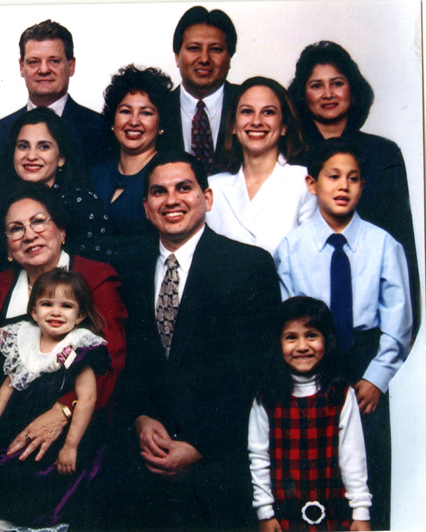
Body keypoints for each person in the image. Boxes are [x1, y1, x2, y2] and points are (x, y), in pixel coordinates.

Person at [113, 151, 280, 529]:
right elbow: (130, 361)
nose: (171, 200)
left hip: (217, 470)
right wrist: (140, 419)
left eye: (183, 188)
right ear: (145, 206)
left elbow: (252, 371)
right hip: (144, 470)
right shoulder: (130, 269)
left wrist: (198, 445)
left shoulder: (248, 266)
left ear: (206, 198)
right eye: (159, 192)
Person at [0, 183, 127, 522]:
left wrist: (62, 412)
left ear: (60, 231)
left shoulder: (95, 276)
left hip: (82, 424)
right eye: (16, 229)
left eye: (39, 222)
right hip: (13, 422)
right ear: (8, 248)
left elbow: (112, 363)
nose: (29, 235)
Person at [274, 138, 412, 531]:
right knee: (315, 470)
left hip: (366, 361)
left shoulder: (383, 245)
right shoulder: (292, 247)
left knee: (369, 473)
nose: (343, 186)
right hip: (311, 363)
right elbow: (288, 315)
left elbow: (399, 319)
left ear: (363, 186)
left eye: (353, 178)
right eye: (333, 176)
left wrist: (377, 378)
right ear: (312, 184)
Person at [0, 269, 110, 529]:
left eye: (66, 306)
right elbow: (9, 383)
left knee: (43, 485)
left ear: (80, 315)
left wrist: (71, 445)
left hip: (61, 436)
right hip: (18, 420)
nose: (55, 312)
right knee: (2, 467)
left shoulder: (78, 345)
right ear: (34, 311)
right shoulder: (24, 337)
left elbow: (88, 398)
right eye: (47, 304)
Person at [288, 41, 420, 341]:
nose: (328, 94)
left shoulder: (383, 154)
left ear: (353, 89)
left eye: (337, 83)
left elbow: (402, 245)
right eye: (316, 85)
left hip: (369, 327)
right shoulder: (290, 155)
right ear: (302, 96)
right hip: (301, 333)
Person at [248, 296, 371, 532]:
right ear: (278, 343)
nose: (302, 346)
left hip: (335, 514)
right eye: (291, 337)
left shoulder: (341, 394)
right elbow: (259, 458)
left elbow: (353, 457)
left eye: (311, 335)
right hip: (283, 517)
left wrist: (361, 513)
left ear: (327, 340)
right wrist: (265, 513)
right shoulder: (267, 397)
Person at [0, 19, 110, 185]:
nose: (43, 70)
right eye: (34, 62)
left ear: (71, 66)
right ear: (21, 67)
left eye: (54, 61)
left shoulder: (100, 129)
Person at [207, 77, 317, 254]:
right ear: (233, 126)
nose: (256, 121)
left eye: (268, 112)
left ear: (284, 127)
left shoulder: (305, 182)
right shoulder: (212, 187)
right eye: (247, 111)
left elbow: (309, 259)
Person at [1, 107, 111, 263]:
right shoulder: (4, 205)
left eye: (44, 146)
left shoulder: (83, 204)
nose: (31, 156)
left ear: (61, 158)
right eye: (23, 146)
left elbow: (95, 272)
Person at [91, 64, 174, 269]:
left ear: (160, 124)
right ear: (113, 120)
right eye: (125, 111)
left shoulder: (168, 173)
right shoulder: (96, 174)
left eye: (146, 113)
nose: (134, 121)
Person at [160, 6, 238, 173]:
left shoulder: (246, 104)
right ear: (177, 57)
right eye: (194, 48)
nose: (204, 59)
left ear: (229, 58)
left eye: (215, 49)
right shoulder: (157, 107)